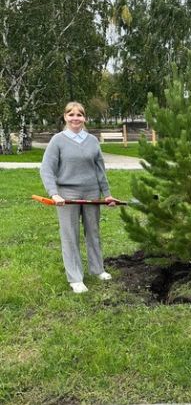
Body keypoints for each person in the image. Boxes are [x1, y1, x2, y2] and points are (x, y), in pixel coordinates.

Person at [40, 101, 119, 293]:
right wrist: (54, 193)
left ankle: (97, 269)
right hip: (67, 195)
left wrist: (107, 194)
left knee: (93, 232)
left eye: (79, 115)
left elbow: (100, 170)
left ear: (85, 118)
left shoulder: (92, 140)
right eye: (71, 114)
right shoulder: (58, 140)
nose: (75, 118)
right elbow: (46, 169)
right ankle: (75, 278)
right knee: (70, 236)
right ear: (65, 117)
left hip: (92, 193)